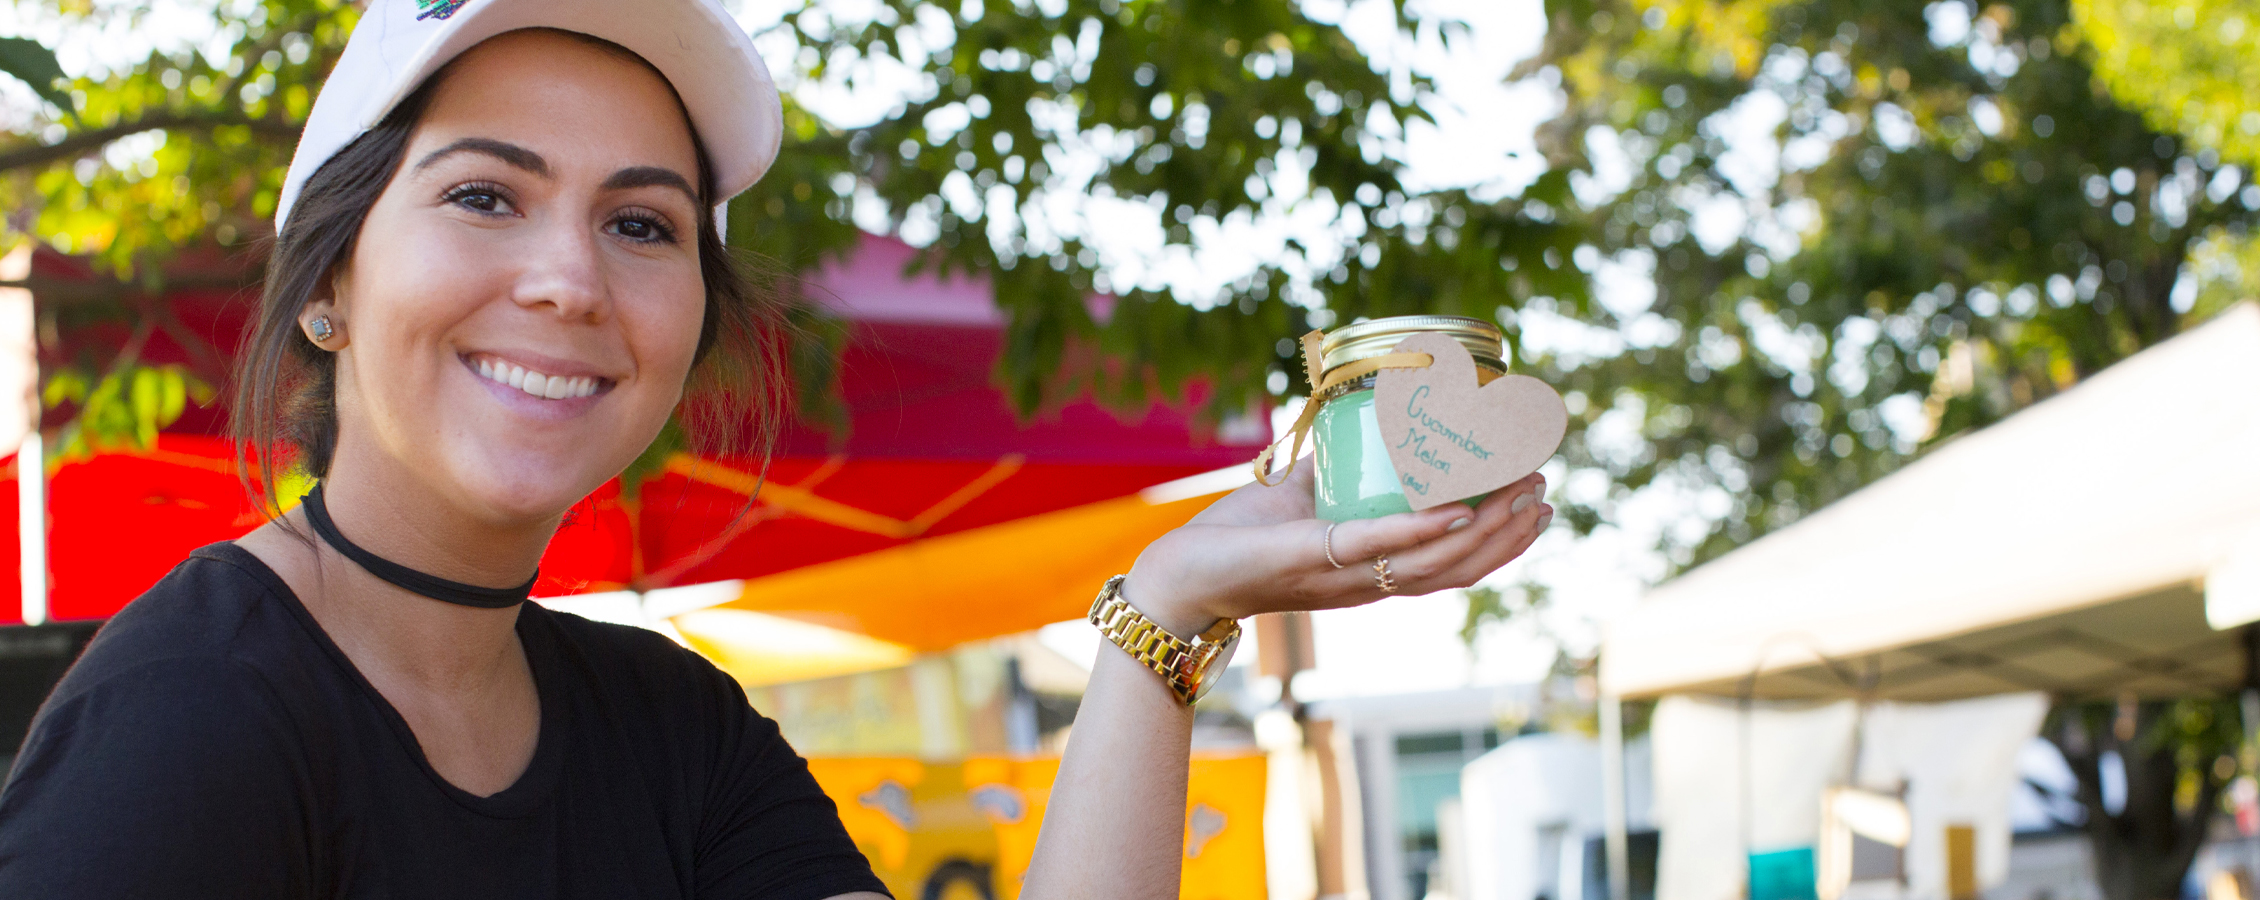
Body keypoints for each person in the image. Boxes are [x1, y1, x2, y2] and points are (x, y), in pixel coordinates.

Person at [0, 0, 1554, 896]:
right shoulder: (194, 724)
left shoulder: (669, 730)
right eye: (485, 194)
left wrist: (1173, 603)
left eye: (639, 223)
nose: (569, 277)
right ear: (330, 284)